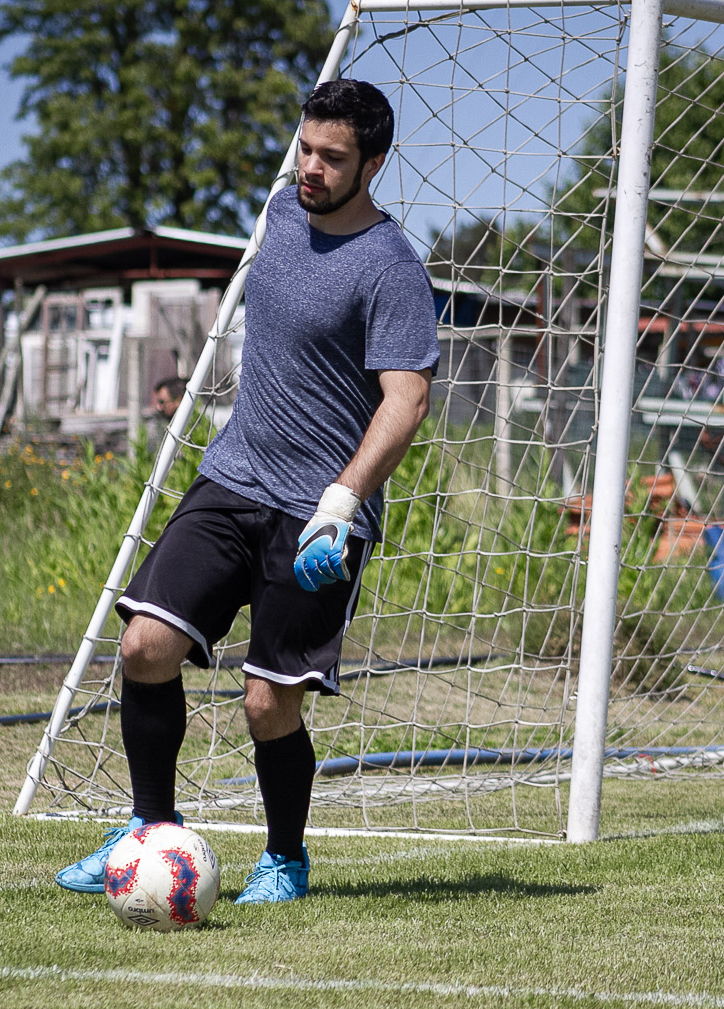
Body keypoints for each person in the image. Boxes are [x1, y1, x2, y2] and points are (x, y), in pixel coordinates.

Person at [56, 79, 438, 904]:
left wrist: (343, 501)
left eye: (332, 157)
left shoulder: (392, 268)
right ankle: (149, 832)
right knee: (144, 646)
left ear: (373, 164)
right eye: (305, 148)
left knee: (268, 704)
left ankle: (285, 859)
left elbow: (407, 400)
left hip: (318, 514)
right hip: (232, 479)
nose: (310, 168)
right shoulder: (279, 214)